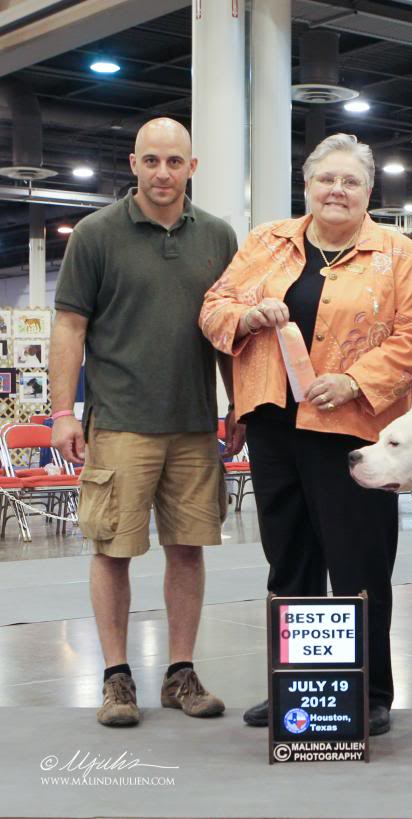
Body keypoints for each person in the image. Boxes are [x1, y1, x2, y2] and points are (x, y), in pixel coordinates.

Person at [199, 133, 412, 736]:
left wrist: (354, 381)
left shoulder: (398, 253)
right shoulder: (266, 243)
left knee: (360, 563)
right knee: (290, 562)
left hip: (353, 433)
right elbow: (214, 306)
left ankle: (371, 692)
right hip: (275, 423)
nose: (337, 190)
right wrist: (246, 317)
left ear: (368, 191)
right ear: (307, 186)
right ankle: (295, 690)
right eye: (326, 179)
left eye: (350, 181)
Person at [49, 117, 241, 727]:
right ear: (133, 163)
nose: (163, 173)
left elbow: (228, 332)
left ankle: (180, 674)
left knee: (188, 549)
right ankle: (115, 679)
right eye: (152, 161)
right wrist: (60, 413)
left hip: (192, 424)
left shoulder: (217, 236)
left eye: (175, 162)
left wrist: (239, 404)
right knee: (114, 550)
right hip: (120, 423)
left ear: (192, 166)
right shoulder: (96, 234)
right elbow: (70, 327)